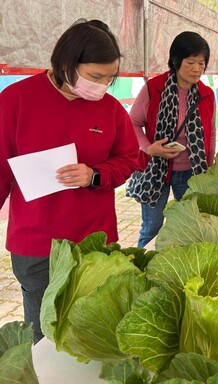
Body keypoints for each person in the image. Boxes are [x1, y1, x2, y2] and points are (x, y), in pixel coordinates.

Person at [0, 19, 139, 343]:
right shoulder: (16, 100)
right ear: (65, 63)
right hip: (37, 244)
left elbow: (129, 158)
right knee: (45, 335)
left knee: (94, 331)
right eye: (95, 76)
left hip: (94, 240)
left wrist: (94, 174)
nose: (103, 85)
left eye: (109, 77)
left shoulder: (111, 109)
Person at [126, 31, 216, 248]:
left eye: (202, 63)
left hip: (191, 173)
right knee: (152, 227)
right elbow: (133, 123)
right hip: (156, 170)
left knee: (190, 226)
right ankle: (142, 269)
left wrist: (209, 168)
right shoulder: (153, 88)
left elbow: (210, 134)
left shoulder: (207, 94)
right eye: (190, 62)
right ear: (176, 61)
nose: (197, 69)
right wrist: (149, 149)